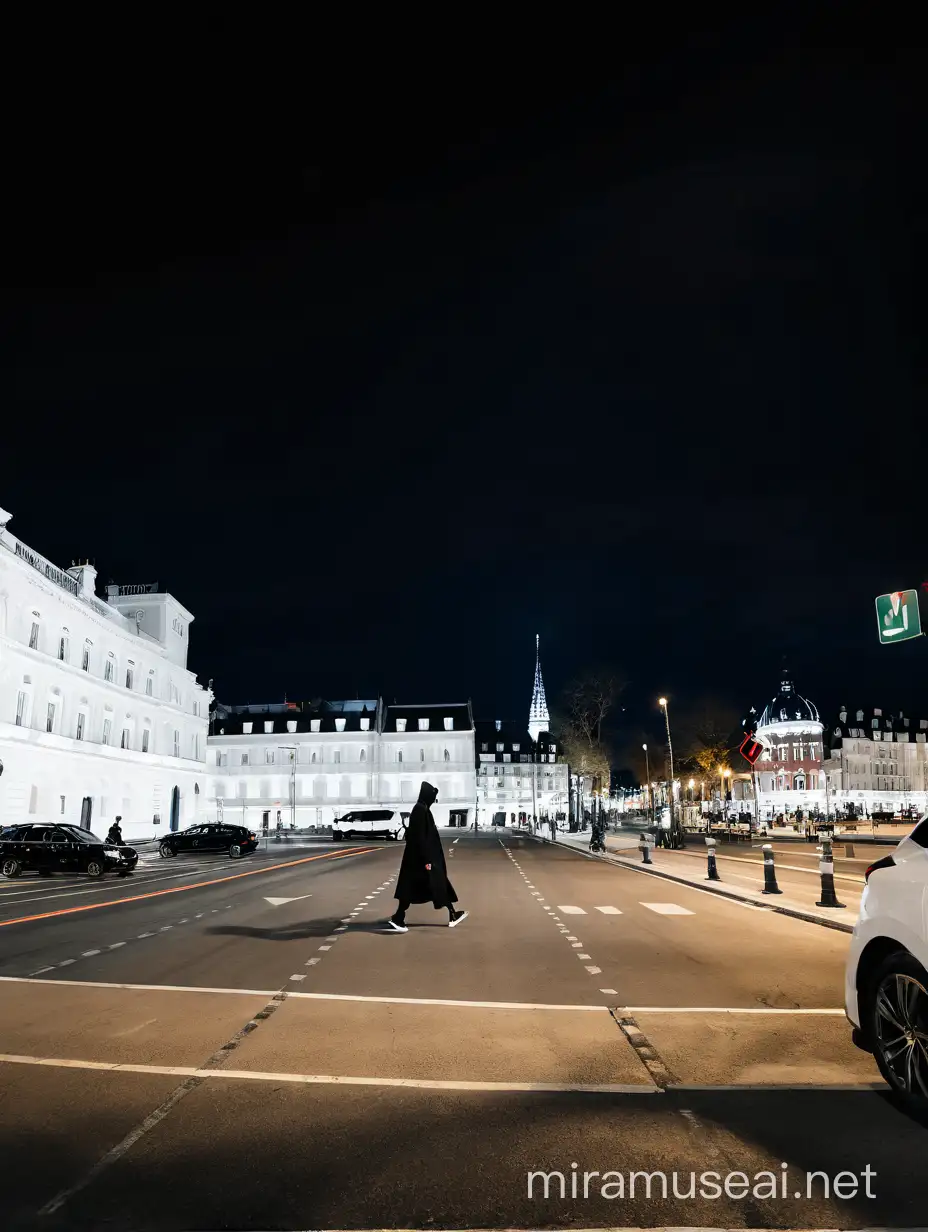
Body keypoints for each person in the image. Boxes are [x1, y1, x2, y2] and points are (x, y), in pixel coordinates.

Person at [388, 781, 468, 932]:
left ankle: (452, 914)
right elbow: (419, 838)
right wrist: (427, 861)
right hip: (421, 861)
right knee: (431, 885)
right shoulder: (420, 810)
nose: (434, 800)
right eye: (433, 797)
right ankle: (399, 918)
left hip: (421, 860)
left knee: (430, 886)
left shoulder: (422, 809)